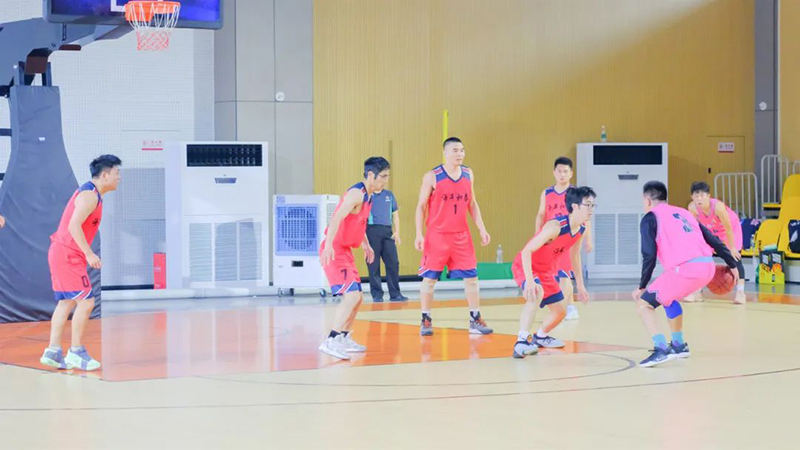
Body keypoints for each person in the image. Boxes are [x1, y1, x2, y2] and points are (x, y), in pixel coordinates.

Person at [632, 181, 739, 368]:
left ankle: (661, 348)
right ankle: (679, 345)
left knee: (644, 304)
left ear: (647, 200)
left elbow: (649, 255)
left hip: (686, 269)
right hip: (708, 266)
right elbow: (712, 239)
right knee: (668, 298)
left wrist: (642, 286)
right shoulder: (684, 213)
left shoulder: (650, 218)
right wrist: (732, 263)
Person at [40, 155, 122, 371]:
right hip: (68, 254)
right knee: (86, 303)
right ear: (105, 175)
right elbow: (73, 226)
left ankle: (53, 351)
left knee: (66, 302)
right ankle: (76, 352)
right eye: (117, 173)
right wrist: (89, 254)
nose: (119, 178)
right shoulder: (89, 196)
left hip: (62, 252)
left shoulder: (94, 195)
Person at [414, 137, 493, 336]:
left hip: (461, 236)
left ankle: (475, 319)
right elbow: (421, 207)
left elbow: (472, 203)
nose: (460, 154)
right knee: (429, 279)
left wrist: (482, 228)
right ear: (445, 153)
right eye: (455, 150)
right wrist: (419, 234)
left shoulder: (468, 174)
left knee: (472, 278)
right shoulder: (432, 176)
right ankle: (425, 318)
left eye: (462, 150)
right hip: (437, 235)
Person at [318, 156, 390, 360]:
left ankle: (343, 337)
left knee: (358, 298)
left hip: (346, 251)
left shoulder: (369, 196)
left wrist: (366, 244)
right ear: (371, 175)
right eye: (383, 177)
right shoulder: (356, 194)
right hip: (335, 250)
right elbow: (336, 218)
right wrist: (328, 246)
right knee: (351, 296)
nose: (386, 181)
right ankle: (331, 340)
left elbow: (359, 222)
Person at [512, 187, 594, 358]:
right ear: (575, 206)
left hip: (546, 270)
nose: (591, 210)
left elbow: (575, 256)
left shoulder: (581, 228)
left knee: (560, 311)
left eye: (593, 205)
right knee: (536, 292)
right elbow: (526, 251)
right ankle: (521, 342)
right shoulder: (555, 227)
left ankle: (540, 337)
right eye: (588, 205)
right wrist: (530, 281)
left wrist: (580, 286)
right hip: (526, 265)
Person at [534, 156, 593, 321]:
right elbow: (540, 215)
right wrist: (538, 235)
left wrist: (588, 239)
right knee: (554, 274)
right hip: (551, 239)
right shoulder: (547, 193)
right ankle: (570, 306)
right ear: (554, 172)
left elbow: (585, 216)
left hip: (569, 238)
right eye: (559, 171)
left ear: (571, 173)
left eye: (565, 171)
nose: (562, 174)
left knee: (564, 274)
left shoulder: (576, 194)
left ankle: (564, 308)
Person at [686, 181, 746, 304]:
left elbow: (728, 228)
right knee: (700, 257)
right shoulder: (692, 208)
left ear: (708, 196)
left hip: (729, 229)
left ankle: (741, 293)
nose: (699, 199)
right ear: (692, 197)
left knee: (734, 257)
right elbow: (696, 228)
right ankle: (697, 291)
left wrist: (732, 247)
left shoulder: (718, 207)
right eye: (696, 196)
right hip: (711, 229)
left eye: (702, 195)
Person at [366, 187, 407, 302]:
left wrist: (397, 232)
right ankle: (377, 295)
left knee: (393, 262)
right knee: (373, 264)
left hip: (388, 231)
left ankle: (395, 294)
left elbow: (395, 215)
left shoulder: (389, 194)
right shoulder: (367, 195)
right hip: (372, 230)